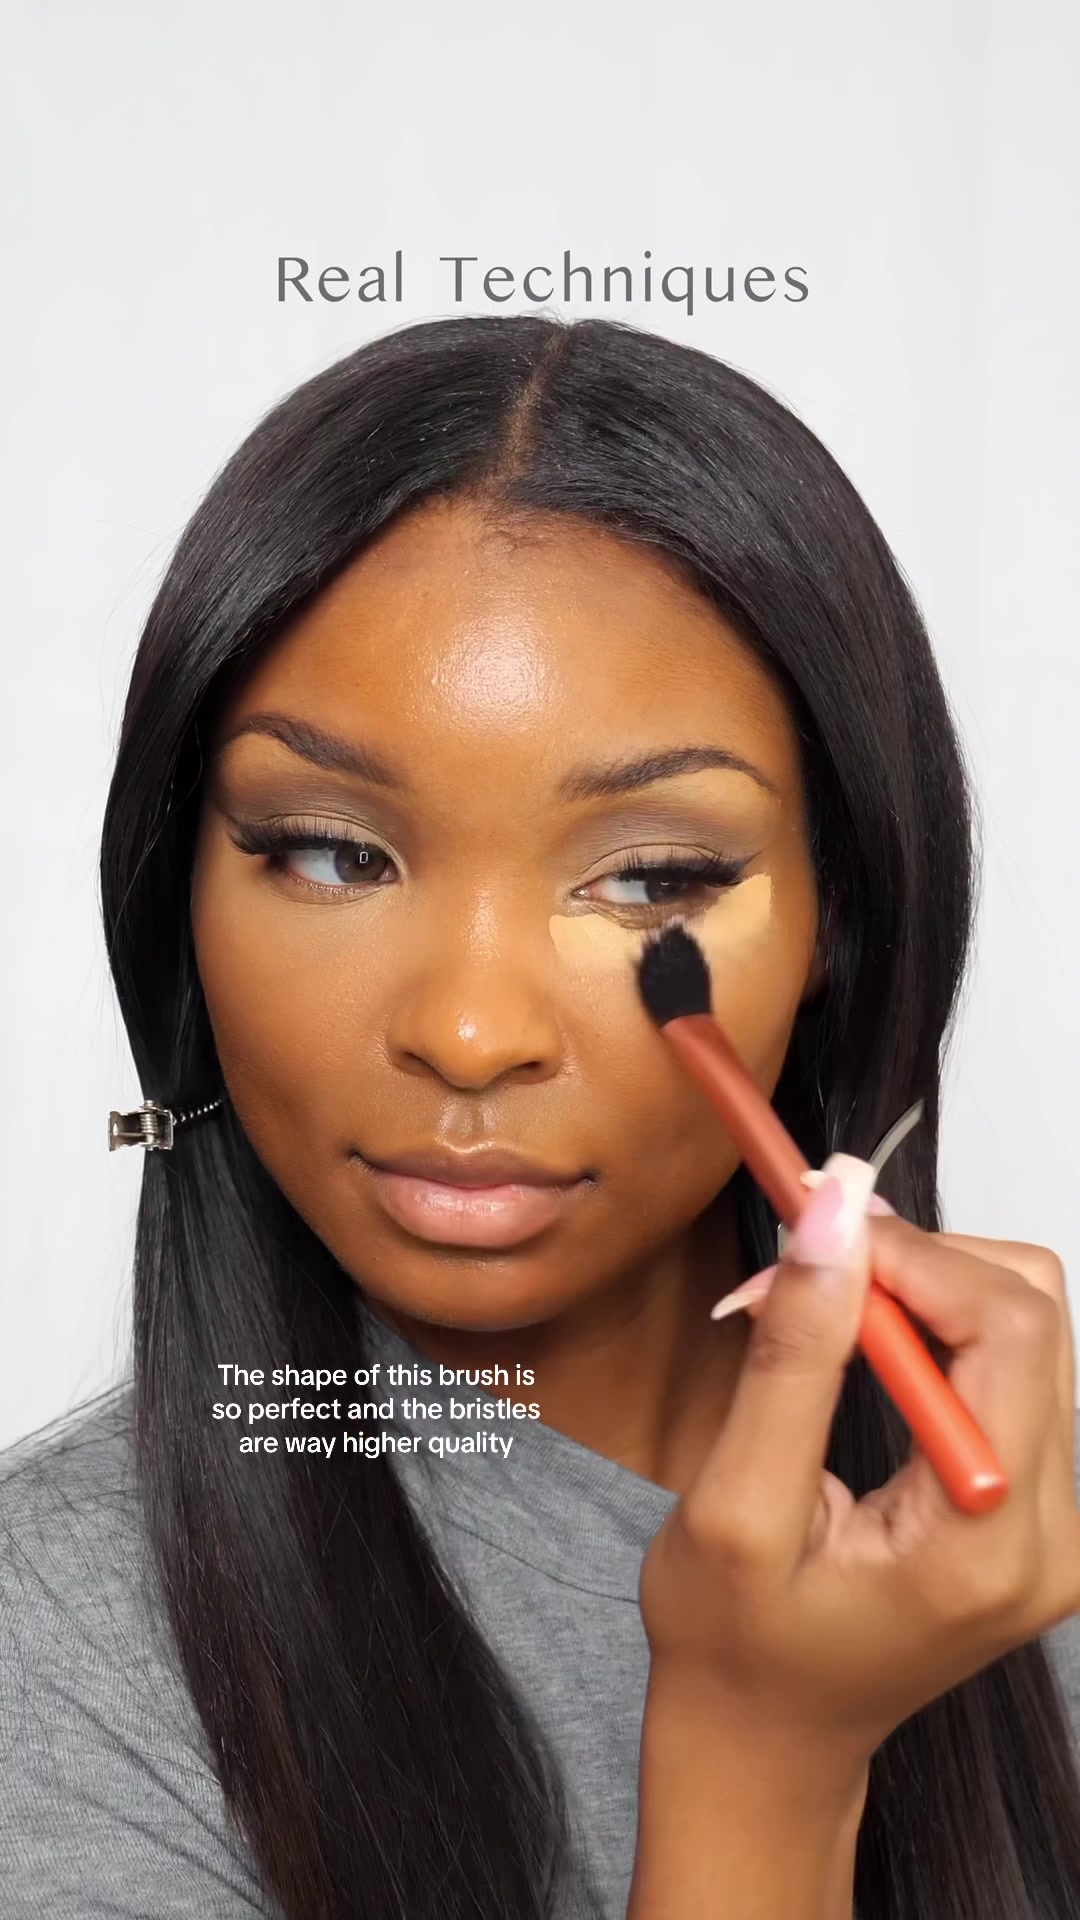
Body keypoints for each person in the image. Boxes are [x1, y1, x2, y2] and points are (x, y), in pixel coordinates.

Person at [1, 312, 1079, 1920]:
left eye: (649, 876)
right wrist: (761, 1768)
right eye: (331, 853)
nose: (468, 1034)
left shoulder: (1026, 1549)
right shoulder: (48, 1652)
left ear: (838, 920)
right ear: (178, 896)